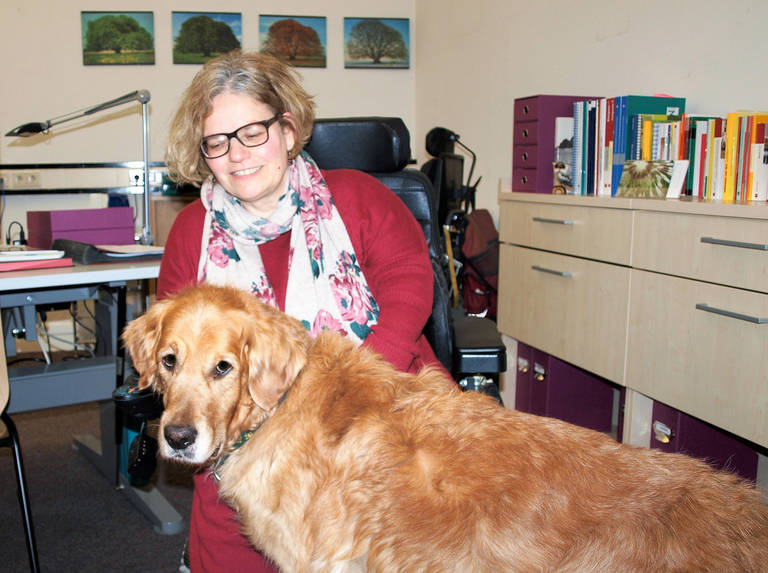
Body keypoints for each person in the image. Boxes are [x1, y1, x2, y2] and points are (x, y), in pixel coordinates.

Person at [159, 50, 442, 572]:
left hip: (383, 401)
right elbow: (180, 353)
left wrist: (348, 394)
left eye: (252, 132)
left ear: (288, 130)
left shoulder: (360, 196)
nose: (237, 154)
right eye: (217, 142)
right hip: (247, 440)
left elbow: (408, 285)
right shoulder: (190, 233)